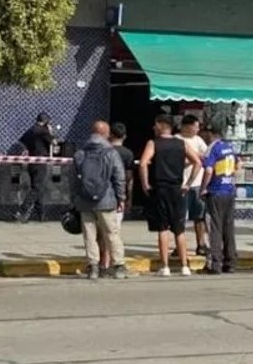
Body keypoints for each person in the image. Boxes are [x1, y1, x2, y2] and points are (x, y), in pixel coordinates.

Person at [139, 115, 202, 276]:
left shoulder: (153, 143)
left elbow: (144, 162)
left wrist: (145, 184)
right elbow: (198, 162)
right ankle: (184, 265)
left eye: (155, 125)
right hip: (177, 189)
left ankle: (165, 266)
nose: (153, 128)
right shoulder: (182, 143)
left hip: (160, 188)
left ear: (161, 125)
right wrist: (188, 183)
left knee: (162, 228)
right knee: (179, 229)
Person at [72, 121, 128, 280]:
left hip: (85, 201)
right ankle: (118, 266)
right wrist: (121, 198)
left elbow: (73, 180)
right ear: (106, 133)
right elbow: (119, 177)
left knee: (89, 234)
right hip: (107, 200)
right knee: (111, 233)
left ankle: (93, 267)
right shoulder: (111, 153)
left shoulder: (80, 153)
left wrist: (74, 198)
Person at [201, 121, 240, 274]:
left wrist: (204, 188)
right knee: (228, 228)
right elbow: (238, 164)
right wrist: (231, 180)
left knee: (215, 228)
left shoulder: (212, 148)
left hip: (215, 192)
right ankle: (230, 262)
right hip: (229, 191)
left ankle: (215, 263)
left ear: (211, 134)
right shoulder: (229, 147)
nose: (203, 136)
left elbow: (209, 170)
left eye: (205, 133)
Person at [98, 122, 135, 273]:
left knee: (101, 231)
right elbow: (129, 178)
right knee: (113, 231)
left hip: (102, 196)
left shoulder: (103, 151)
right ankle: (113, 262)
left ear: (110, 135)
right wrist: (128, 197)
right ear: (125, 136)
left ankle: (103, 263)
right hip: (118, 197)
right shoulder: (128, 154)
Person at [178, 115, 209, 256]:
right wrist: (195, 158)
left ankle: (201, 244)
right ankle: (179, 246)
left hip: (197, 184)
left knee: (199, 216)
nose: (197, 129)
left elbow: (206, 156)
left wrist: (193, 157)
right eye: (195, 126)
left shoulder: (198, 140)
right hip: (182, 184)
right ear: (186, 126)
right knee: (180, 217)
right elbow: (181, 160)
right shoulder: (177, 140)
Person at [16, 112, 56, 223]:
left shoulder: (31, 130)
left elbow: (22, 141)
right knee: (37, 188)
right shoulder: (43, 130)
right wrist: (51, 131)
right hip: (41, 162)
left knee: (38, 188)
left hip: (31, 162)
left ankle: (41, 215)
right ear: (46, 121)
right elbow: (54, 142)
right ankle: (22, 211)